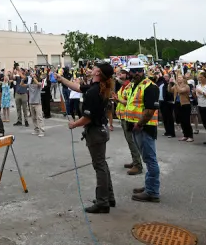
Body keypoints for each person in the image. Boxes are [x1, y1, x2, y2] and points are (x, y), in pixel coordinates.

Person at [56, 62, 116, 213]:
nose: (92, 69)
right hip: (101, 130)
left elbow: (87, 118)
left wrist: (74, 124)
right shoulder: (98, 88)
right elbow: (77, 87)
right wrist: (62, 79)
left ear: (98, 73)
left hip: (95, 132)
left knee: (99, 166)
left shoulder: (93, 92)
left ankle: (103, 202)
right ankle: (108, 197)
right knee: (102, 164)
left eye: (95, 68)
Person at [123, 59, 161, 203]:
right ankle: (149, 186)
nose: (136, 73)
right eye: (133, 71)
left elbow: (150, 110)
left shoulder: (150, 87)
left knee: (150, 160)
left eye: (139, 70)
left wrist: (139, 124)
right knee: (147, 158)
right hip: (136, 126)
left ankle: (152, 192)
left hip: (144, 127)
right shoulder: (134, 85)